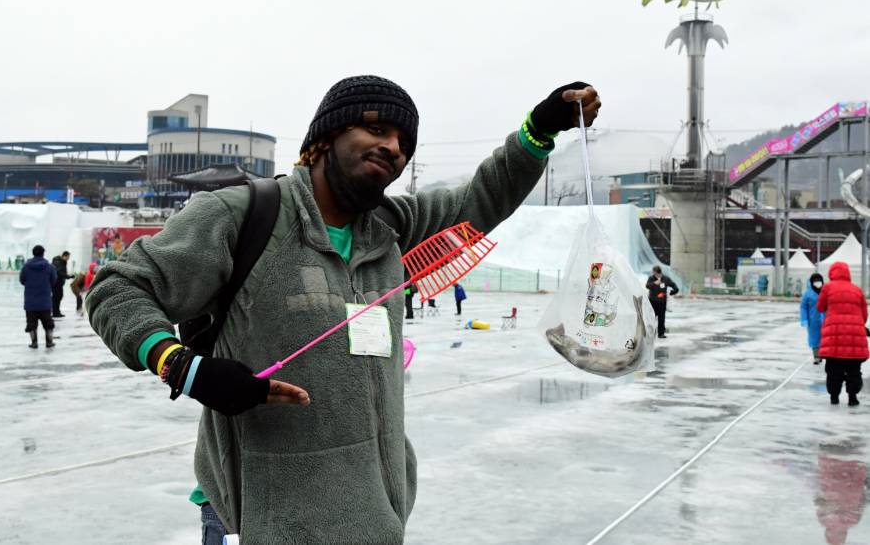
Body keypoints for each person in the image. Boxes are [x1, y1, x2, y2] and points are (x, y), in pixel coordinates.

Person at [86, 74, 600, 543]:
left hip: (372, 519)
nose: (393, 147)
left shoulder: (392, 227)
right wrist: (181, 366)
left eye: (404, 143)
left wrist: (538, 130)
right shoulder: (242, 215)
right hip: (258, 520)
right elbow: (117, 288)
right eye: (376, 129)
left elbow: (482, 197)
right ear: (325, 138)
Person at [817, 261, 868, 406]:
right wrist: (856, 325)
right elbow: (864, 314)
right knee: (854, 369)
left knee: (833, 368)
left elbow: (820, 307)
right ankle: (853, 397)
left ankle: (834, 397)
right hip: (855, 335)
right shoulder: (857, 290)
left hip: (834, 335)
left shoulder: (827, 288)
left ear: (831, 274)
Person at [20, 245, 57, 348]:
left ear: (33, 253)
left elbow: (22, 280)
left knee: (31, 323)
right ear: (43, 253)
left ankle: (34, 342)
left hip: (30, 301)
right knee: (48, 323)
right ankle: (49, 342)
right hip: (45, 301)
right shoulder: (49, 267)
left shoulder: (26, 267)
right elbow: (54, 280)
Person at [645, 265, 678, 338]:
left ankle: (661, 333)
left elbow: (674, 286)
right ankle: (650, 333)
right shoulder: (651, 278)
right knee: (651, 317)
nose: (654, 274)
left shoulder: (665, 278)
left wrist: (672, 292)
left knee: (661, 318)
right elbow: (647, 286)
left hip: (662, 302)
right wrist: (654, 283)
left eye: (655, 273)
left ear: (657, 272)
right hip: (652, 301)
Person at [800, 273, 825, 364]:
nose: (817, 282)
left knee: (825, 338)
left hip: (826, 319)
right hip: (813, 320)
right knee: (814, 338)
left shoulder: (826, 291)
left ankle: (823, 354)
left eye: (819, 280)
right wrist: (804, 319)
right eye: (815, 281)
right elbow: (803, 307)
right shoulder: (807, 294)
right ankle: (816, 356)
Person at [50, 251, 71, 317]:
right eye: (68, 257)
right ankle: (55, 312)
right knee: (56, 297)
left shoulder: (61, 261)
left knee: (59, 296)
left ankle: (56, 311)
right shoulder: (58, 262)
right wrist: (68, 276)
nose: (68, 259)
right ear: (64, 256)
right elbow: (59, 272)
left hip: (59, 283)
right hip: (56, 283)